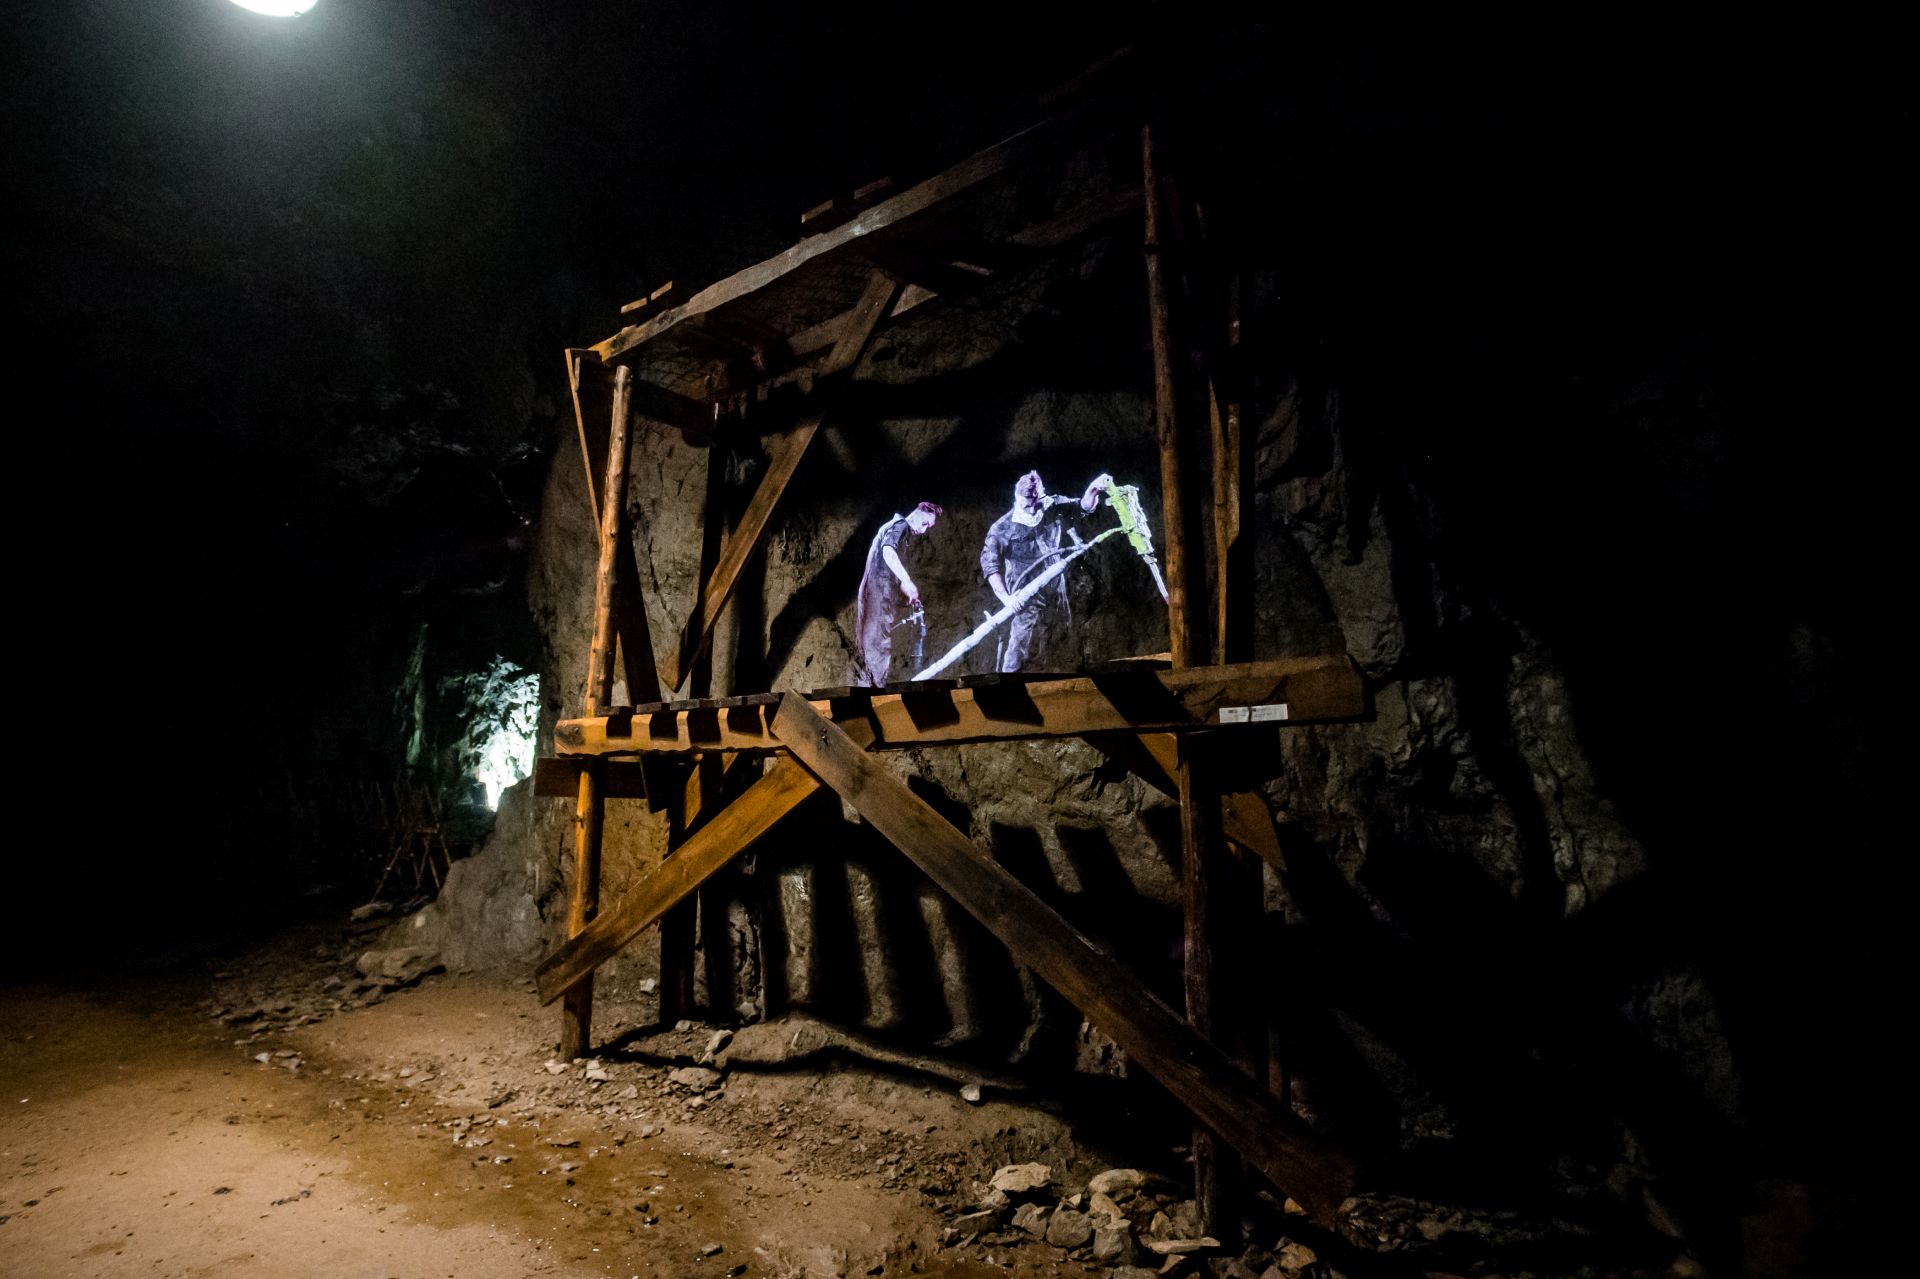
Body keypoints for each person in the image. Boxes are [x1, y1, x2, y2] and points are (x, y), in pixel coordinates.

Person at [978, 470, 1111, 672]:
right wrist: (1006, 598)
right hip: (1025, 592)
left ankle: (1061, 676)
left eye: (1035, 503)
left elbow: (1082, 507)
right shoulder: (1002, 528)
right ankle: (1009, 679)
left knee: (1062, 630)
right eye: (1026, 504)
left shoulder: (1052, 505)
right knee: (1021, 639)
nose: (1032, 510)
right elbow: (990, 565)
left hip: (1056, 586)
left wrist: (1093, 489)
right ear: (1017, 497)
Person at [853, 501, 942, 685]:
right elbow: (888, 551)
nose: (924, 530)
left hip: (878, 597)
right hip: (877, 600)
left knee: (873, 648)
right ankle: (876, 693)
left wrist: (906, 592)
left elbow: (888, 570)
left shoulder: (900, 532)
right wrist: (907, 581)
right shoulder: (900, 525)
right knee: (877, 647)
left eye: (928, 527)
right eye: (925, 523)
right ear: (918, 512)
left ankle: (871, 687)